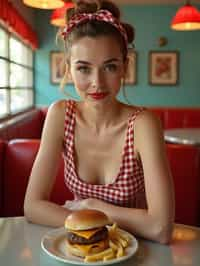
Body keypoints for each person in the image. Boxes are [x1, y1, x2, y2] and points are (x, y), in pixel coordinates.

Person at [24, 0, 174, 244]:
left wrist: (91, 206)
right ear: (69, 70)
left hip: (138, 250)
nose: (97, 83)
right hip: (81, 249)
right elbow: (32, 206)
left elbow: (161, 228)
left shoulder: (144, 124)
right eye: (84, 68)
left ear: (125, 67)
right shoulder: (60, 115)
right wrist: (91, 217)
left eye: (110, 67)